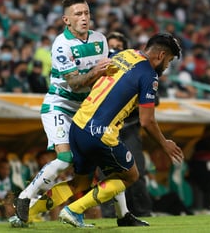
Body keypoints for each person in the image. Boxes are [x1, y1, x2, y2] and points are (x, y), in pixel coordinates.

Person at [12, 0, 146, 227]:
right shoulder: (61, 45)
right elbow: (74, 82)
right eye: (78, 14)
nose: (84, 18)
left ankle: (123, 215)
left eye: (87, 13)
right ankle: (25, 198)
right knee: (65, 158)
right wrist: (96, 71)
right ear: (66, 20)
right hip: (59, 106)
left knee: (107, 164)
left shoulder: (100, 40)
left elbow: (105, 78)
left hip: (86, 110)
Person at [24, 33, 184, 228]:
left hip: (79, 125)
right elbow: (146, 121)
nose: (167, 67)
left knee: (80, 183)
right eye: (169, 60)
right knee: (130, 175)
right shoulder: (149, 75)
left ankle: (28, 213)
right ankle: (74, 210)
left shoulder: (125, 55)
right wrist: (164, 143)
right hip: (100, 133)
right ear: (160, 55)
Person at [105, 31, 153, 218]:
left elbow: (151, 101)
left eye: (118, 46)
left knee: (137, 171)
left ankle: (143, 212)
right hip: (106, 128)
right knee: (106, 174)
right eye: (111, 47)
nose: (114, 50)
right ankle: (108, 215)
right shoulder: (101, 70)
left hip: (129, 127)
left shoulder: (140, 70)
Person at [184, 124, 210, 213]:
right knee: (198, 205)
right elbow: (186, 156)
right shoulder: (196, 143)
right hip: (197, 179)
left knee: (208, 206)